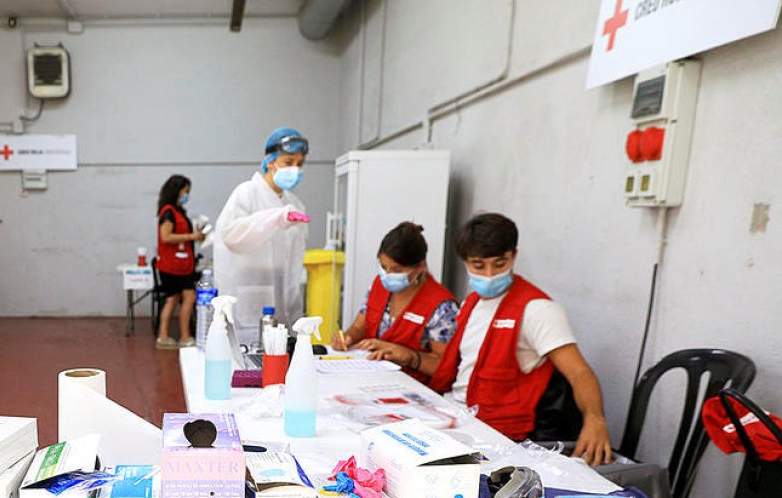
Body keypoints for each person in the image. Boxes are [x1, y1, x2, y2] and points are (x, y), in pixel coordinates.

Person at [427, 213, 611, 465]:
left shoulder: (537, 310)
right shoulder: (472, 303)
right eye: (479, 266)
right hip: (456, 413)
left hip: (496, 433)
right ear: (466, 263)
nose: (490, 274)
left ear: (513, 256)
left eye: (499, 264)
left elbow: (579, 372)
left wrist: (595, 419)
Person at [213, 127, 312, 343]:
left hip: (285, 305)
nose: (295, 169)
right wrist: (275, 219)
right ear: (270, 162)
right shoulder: (247, 193)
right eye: (288, 162)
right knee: (247, 367)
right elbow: (231, 236)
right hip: (249, 302)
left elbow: (293, 262)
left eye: (299, 164)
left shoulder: (294, 204)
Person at [331, 222, 458, 381]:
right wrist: (347, 337)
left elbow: (446, 367)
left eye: (397, 270)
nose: (388, 275)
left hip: (412, 387)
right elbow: (359, 327)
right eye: (384, 267)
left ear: (420, 267)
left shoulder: (442, 307)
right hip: (371, 377)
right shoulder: (379, 285)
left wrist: (410, 357)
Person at [154, 175, 206, 349]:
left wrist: (195, 235)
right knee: (187, 297)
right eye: (186, 191)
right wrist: (192, 236)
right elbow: (166, 236)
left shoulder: (178, 211)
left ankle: (164, 336)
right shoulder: (168, 213)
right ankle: (185, 336)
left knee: (173, 299)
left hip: (180, 265)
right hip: (174, 266)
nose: (187, 195)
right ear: (177, 190)